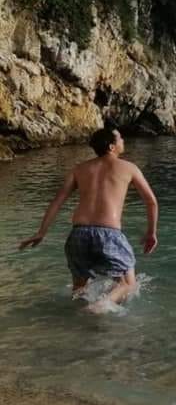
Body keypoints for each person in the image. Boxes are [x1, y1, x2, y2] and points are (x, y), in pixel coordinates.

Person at [18, 127, 158, 307]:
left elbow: (57, 201)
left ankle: (79, 321)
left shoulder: (79, 169)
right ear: (111, 147)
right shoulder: (129, 167)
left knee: (79, 289)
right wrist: (151, 232)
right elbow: (151, 202)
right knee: (128, 284)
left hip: (78, 234)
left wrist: (41, 232)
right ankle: (99, 307)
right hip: (109, 234)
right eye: (120, 139)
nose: (123, 140)